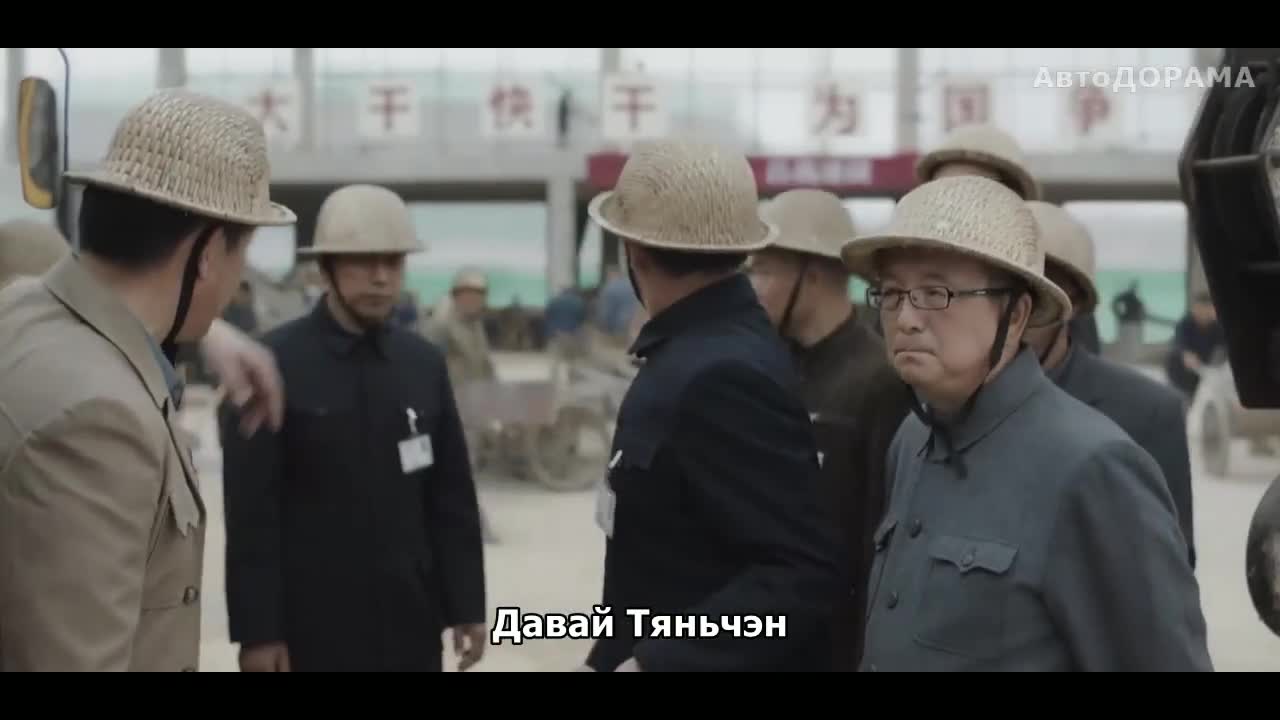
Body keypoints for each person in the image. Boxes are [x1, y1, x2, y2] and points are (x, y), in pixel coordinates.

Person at [842, 175, 1211, 672]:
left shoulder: (1092, 468)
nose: (905, 318)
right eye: (891, 293)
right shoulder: (912, 439)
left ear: (1015, 315)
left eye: (936, 292)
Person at [0, 88, 295, 672]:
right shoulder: (100, 421)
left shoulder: (21, 312)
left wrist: (206, 332)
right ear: (208, 254)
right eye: (241, 253)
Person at [578, 139, 841, 672]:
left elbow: (799, 573)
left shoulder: (723, 373)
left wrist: (658, 662)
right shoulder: (692, 351)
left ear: (634, 249)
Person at [221, 183, 486, 673]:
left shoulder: (423, 364)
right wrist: (259, 633)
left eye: (393, 262)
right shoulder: (272, 364)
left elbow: (451, 499)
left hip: (410, 624)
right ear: (326, 269)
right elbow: (252, 517)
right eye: (363, 262)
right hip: (313, 629)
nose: (380, 278)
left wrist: (467, 605)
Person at [747, 188, 911, 669]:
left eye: (764, 270)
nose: (752, 287)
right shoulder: (768, 368)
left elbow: (880, 543)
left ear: (813, 275)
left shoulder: (880, 381)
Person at [1024, 201, 1196, 568]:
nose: (1012, 313)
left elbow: (1169, 567)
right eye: (995, 290)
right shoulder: (939, 410)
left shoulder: (1147, 412)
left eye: (1034, 297)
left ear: (1073, 302)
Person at [916, 122, 1102, 356]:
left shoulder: (1048, 287)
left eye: (970, 196)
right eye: (941, 196)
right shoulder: (904, 283)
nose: (952, 210)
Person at [427, 268, 496, 386]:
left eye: (479, 295)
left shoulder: (475, 324)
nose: (474, 300)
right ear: (456, 296)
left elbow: (485, 363)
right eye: (468, 295)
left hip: (476, 390)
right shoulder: (441, 324)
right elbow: (428, 366)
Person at [1164, 292, 1225, 403]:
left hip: (1204, 368)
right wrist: (1187, 354)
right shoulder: (1184, 323)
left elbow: (1223, 347)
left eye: (1207, 310)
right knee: (1180, 396)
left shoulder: (1217, 326)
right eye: (1200, 310)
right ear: (1194, 309)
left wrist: (1217, 363)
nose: (1203, 314)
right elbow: (1180, 343)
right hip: (1182, 365)